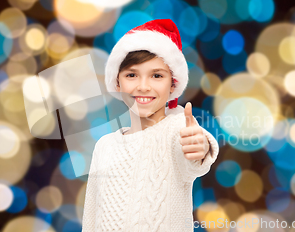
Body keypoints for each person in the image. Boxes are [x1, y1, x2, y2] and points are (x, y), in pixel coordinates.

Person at [82, 19, 219, 231]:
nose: (143, 86)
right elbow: (91, 217)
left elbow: (194, 153)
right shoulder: (104, 146)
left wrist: (200, 147)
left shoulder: (177, 132)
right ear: (117, 82)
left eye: (156, 75)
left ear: (172, 84)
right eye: (131, 75)